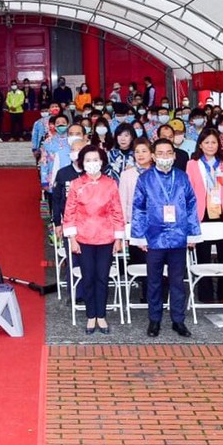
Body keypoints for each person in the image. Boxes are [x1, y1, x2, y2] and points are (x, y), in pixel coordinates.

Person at [130, 139, 199, 337]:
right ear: (153, 156)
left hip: (179, 236)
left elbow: (191, 205)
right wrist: (140, 237)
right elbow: (138, 208)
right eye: (160, 153)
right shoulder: (145, 179)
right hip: (154, 238)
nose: (165, 157)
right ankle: (154, 320)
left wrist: (193, 233)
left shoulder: (182, 177)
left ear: (174, 155)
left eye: (169, 153)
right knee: (154, 281)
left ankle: (178, 320)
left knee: (177, 281)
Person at [61, 144, 125, 335]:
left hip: (106, 238)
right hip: (83, 239)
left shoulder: (111, 184)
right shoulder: (76, 184)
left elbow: (117, 211)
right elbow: (69, 213)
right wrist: (72, 238)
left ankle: (101, 315)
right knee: (88, 278)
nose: (92, 163)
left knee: (102, 278)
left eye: (95, 159)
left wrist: (118, 238)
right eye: (88, 160)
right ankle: (91, 316)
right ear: (82, 163)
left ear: (102, 161)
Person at [186, 130, 223, 303]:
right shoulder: (192, 164)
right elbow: (188, 193)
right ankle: (206, 295)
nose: (210, 146)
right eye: (207, 142)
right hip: (201, 214)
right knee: (203, 256)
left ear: (219, 145)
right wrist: (190, 219)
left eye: (214, 142)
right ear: (200, 145)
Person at [118, 138, 152, 225]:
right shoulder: (126, 175)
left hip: (154, 222)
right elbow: (122, 202)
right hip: (133, 222)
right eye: (137, 152)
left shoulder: (157, 173)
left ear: (152, 154)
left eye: (144, 151)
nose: (140, 155)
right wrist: (124, 225)